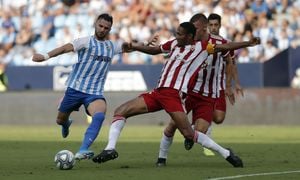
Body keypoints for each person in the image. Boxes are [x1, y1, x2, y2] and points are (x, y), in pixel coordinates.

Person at [92, 21, 260, 165]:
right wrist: (135, 47)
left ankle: (226, 154)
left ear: (189, 37)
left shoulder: (202, 48)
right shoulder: (173, 44)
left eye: (179, 34)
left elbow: (226, 46)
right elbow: (156, 50)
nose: (176, 36)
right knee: (120, 111)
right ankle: (110, 149)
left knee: (188, 133)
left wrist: (248, 43)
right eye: (176, 33)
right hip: (158, 93)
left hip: (174, 94)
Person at [32, 13, 130, 160]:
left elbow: (129, 47)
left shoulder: (111, 47)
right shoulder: (86, 41)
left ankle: (83, 149)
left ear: (110, 29)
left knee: (99, 116)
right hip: (75, 89)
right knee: (60, 119)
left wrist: (146, 46)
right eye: (101, 26)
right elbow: (66, 48)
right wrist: (45, 56)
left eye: (106, 28)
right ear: (95, 24)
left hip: (94, 93)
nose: (103, 29)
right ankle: (65, 124)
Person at [155, 13, 246, 167]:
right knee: (172, 126)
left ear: (204, 28)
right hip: (189, 91)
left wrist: (229, 85)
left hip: (209, 93)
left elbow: (230, 60)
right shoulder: (190, 41)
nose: (193, 32)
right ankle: (161, 159)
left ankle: (190, 134)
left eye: (196, 28)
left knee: (204, 129)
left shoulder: (220, 43)